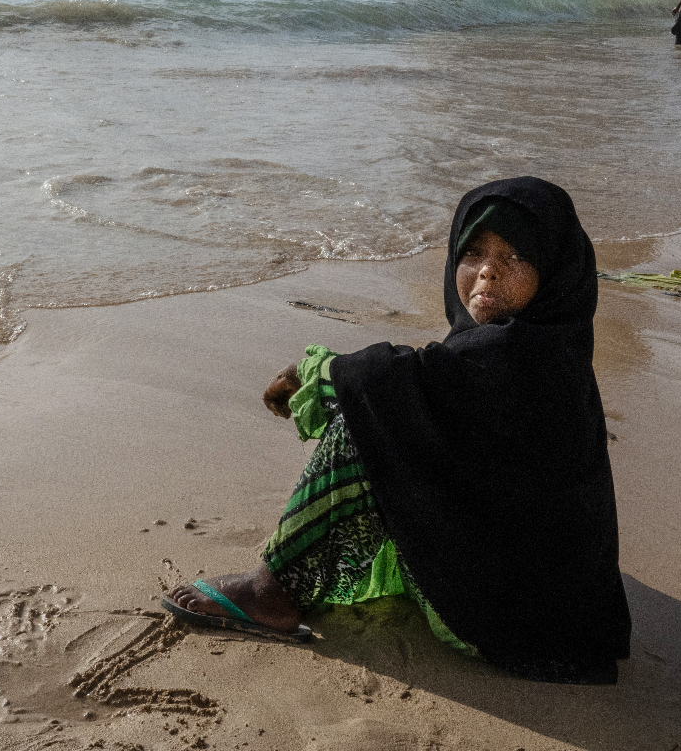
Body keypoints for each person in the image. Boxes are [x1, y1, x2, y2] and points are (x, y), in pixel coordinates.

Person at [159, 178, 632, 684]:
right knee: (402, 405)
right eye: (473, 251)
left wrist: (310, 371)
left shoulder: (518, 357)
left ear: (556, 269)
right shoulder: (556, 344)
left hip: (513, 625)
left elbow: (385, 382)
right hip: (556, 608)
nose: (488, 269)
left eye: (515, 255)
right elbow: (434, 383)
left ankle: (269, 592)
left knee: (371, 416)